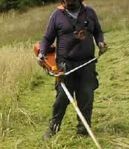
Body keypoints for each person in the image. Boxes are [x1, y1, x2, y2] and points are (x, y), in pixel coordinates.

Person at [38, 0, 108, 140]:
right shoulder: (57, 15)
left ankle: (83, 131)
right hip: (65, 65)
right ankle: (53, 128)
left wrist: (100, 42)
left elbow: (98, 31)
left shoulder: (90, 12)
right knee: (62, 97)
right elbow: (47, 38)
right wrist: (41, 53)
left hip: (86, 63)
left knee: (86, 96)